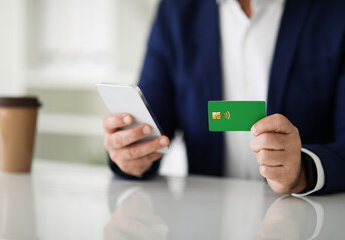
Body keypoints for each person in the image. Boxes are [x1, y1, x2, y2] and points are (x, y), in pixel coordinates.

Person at [103, 0, 345, 195]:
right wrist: (130, 151)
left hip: (308, 220)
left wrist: (305, 170)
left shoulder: (335, 9)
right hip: (207, 219)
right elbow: (150, 126)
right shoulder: (176, 10)